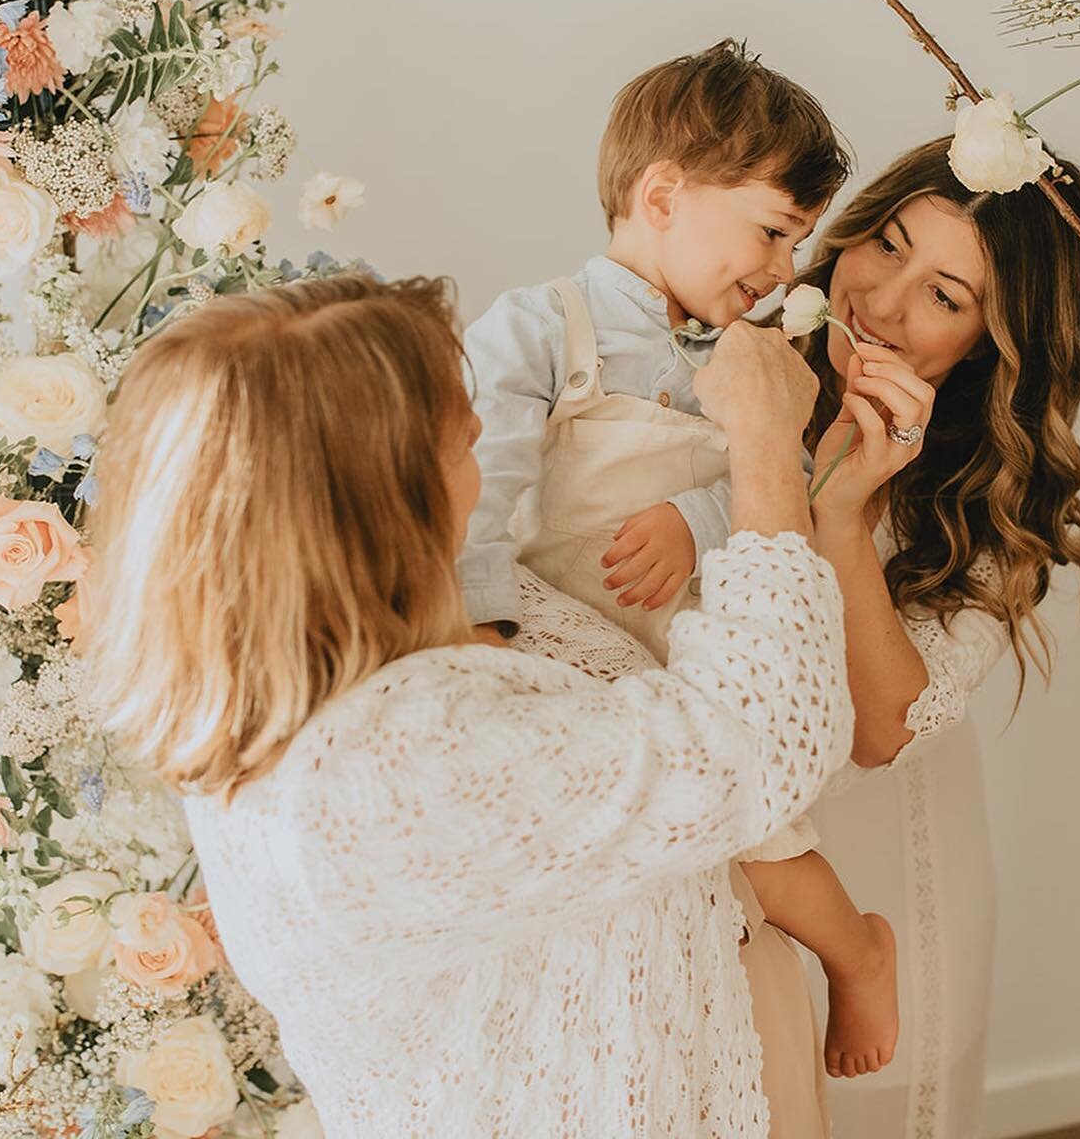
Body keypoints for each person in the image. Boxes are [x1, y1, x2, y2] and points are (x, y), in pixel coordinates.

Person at [87, 272, 851, 1138]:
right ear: (375, 505)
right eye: (458, 433)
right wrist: (761, 440)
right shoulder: (386, 770)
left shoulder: (348, 670)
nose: (485, 429)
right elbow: (761, 742)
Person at [459, 41, 897, 1081]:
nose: (785, 270)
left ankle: (856, 951)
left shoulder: (748, 351)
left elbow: (777, 474)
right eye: (773, 231)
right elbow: (477, 485)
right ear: (662, 194)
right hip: (559, 656)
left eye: (797, 244)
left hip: (689, 655)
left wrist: (692, 520)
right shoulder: (544, 327)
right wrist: (478, 629)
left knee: (763, 849)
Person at [790, 137, 1080, 1137]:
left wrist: (844, 516)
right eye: (886, 244)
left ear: (990, 342)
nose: (880, 303)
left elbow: (883, 734)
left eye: (944, 296)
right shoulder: (727, 349)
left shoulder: (984, 502)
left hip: (881, 855)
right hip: (717, 848)